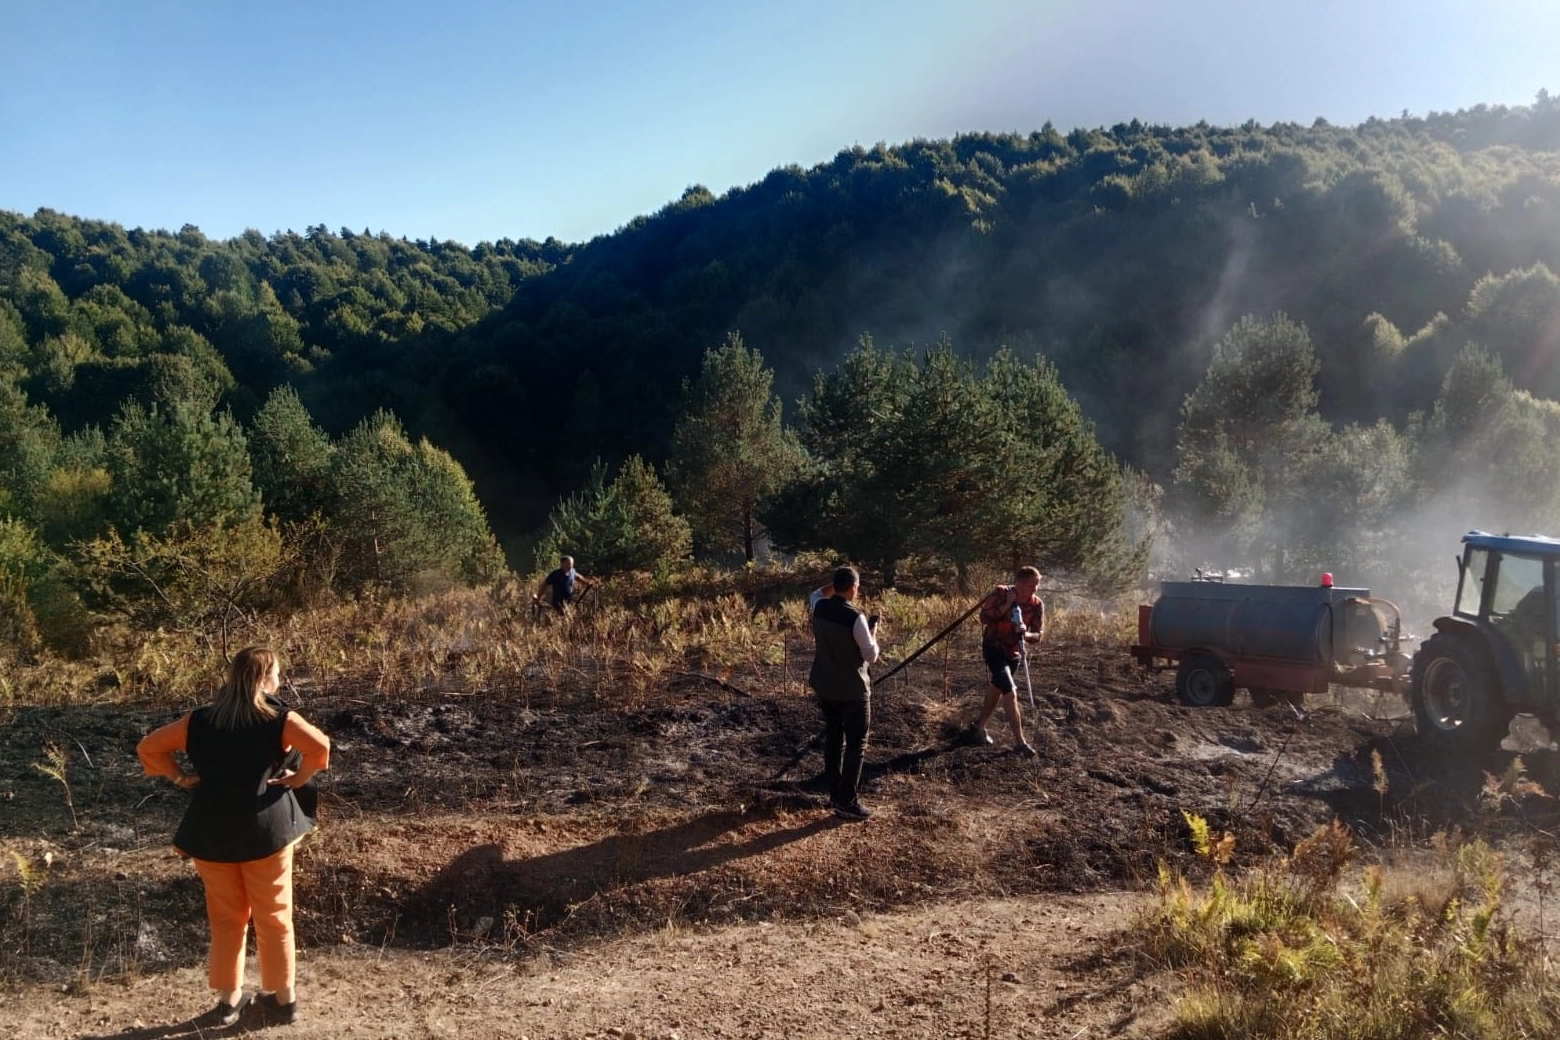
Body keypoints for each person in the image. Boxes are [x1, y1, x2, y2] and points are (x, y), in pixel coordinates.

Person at [137, 647, 331, 1027]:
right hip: (267, 834)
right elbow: (320, 748)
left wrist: (181, 778)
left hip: (212, 835)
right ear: (263, 679)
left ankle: (229, 1002)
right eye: (276, 673)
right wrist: (298, 778)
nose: (279, 679)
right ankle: (283, 1001)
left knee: (227, 920)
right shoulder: (279, 720)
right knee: (274, 916)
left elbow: (148, 748)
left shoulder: (198, 721)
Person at [808, 565, 880, 821]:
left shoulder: (819, 606)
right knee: (856, 744)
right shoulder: (855, 618)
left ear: (834, 585)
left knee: (834, 739)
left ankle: (834, 793)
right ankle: (847, 801)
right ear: (854, 588)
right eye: (856, 586)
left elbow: (816, 592)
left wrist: (836, 584)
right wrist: (873, 633)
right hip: (852, 691)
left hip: (826, 687)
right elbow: (870, 656)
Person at [967, 566, 1044, 756]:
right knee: (1009, 692)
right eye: (1031, 585)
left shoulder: (1036, 604)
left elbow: (1039, 635)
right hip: (994, 649)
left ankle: (978, 728)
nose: (1034, 589)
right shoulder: (1002, 593)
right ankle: (1020, 742)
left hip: (1014, 654)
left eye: (1037, 585)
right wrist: (1007, 605)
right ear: (1019, 583)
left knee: (996, 689)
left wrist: (1026, 633)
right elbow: (984, 617)